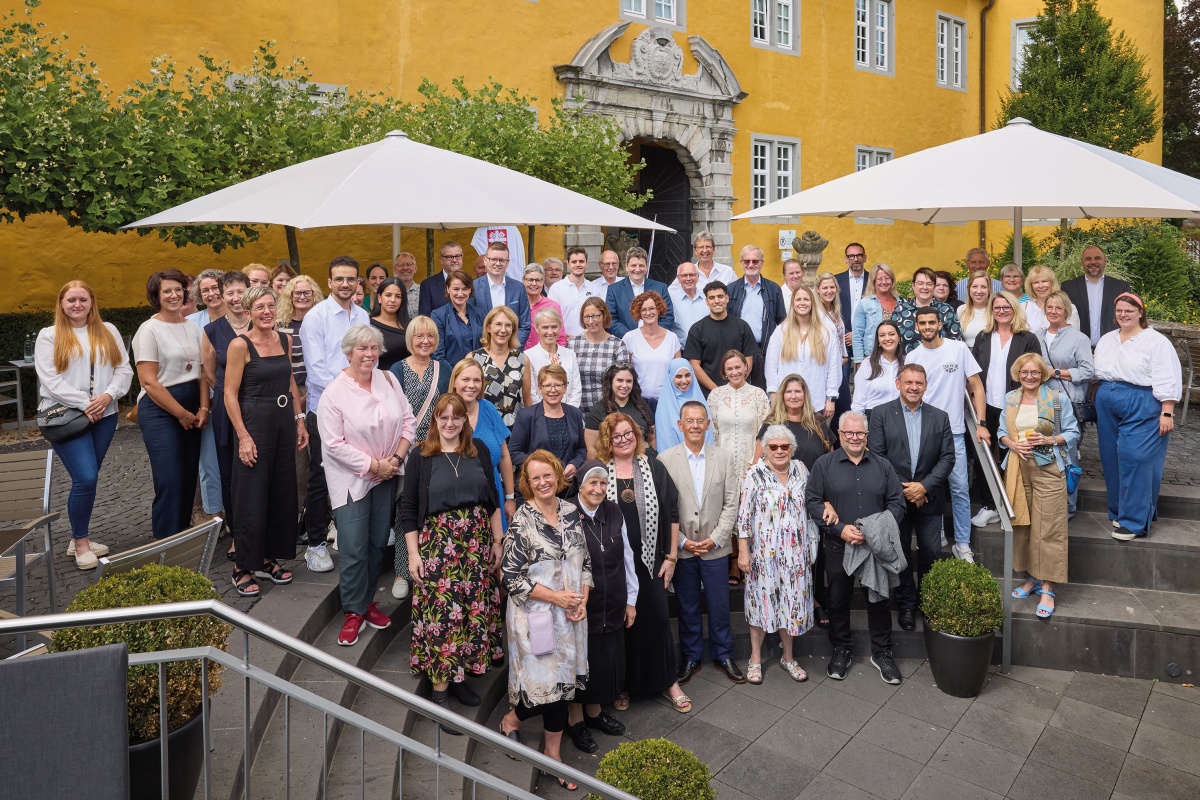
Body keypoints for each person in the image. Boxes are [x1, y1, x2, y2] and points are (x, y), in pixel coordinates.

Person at [400, 394, 503, 722]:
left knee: (470, 614)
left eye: (455, 418)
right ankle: (440, 691)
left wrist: (497, 541)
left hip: (475, 544)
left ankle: (459, 678)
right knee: (443, 617)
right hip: (438, 546)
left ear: (464, 420)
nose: (449, 423)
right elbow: (409, 508)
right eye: (443, 417)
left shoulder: (479, 451)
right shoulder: (421, 456)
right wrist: (413, 555)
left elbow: (491, 501)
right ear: (435, 421)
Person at [498, 452, 590, 785]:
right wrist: (556, 597)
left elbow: (585, 562)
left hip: (570, 616)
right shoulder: (522, 520)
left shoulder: (569, 511)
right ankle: (512, 720)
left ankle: (553, 755)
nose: (543, 482)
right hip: (534, 617)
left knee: (562, 689)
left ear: (557, 475)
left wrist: (582, 600)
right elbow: (510, 578)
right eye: (535, 478)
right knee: (543, 688)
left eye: (547, 475)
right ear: (527, 484)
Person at [594, 413, 690, 712]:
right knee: (623, 625)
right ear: (608, 441)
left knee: (658, 619)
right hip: (613, 567)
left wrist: (672, 556)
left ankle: (668, 681)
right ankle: (624, 684)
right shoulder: (599, 472)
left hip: (651, 562)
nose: (624, 440)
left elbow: (672, 512)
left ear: (636, 435)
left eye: (628, 434)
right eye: (617, 436)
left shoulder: (653, 467)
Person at [35, 280, 133, 569]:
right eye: (71, 300)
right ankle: (80, 544)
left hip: (105, 414)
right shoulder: (49, 335)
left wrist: (107, 396)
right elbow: (50, 380)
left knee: (87, 480)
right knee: (86, 478)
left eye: (83, 300)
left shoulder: (108, 330)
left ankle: (78, 537)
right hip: (67, 416)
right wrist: (86, 403)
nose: (77, 305)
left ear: (92, 302)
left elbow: (123, 368)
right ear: (61, 304)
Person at [806, 411, 906, 684]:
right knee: (838, 601)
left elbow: (898, 504)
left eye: (859, 433)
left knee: (879, 600)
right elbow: (813, 501)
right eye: (848, 433)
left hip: (874, 548)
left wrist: (873, 531)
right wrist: (840, 529)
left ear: (867, 435)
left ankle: (882, 653)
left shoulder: (883, 466)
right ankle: (841, 649)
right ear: (840, 434)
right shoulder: (824, 465)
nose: (854, 437)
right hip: (839, 546)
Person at [224, 287, 308, 597]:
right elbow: (229, 394)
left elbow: (290, 381)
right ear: (248, 313)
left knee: (279, 492)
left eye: (270, 305)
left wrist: (299, 421)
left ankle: (267, 557)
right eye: (259, 307)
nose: (266, 311)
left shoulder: (284, 339)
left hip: (283, 423)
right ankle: (241, 567)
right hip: (254, 423)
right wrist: (244, 436)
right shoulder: (239, 345)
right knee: (251, 494)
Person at [660, 402, 745, 685]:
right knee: (687, 606)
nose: (695, 425)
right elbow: (663, 507)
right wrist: (682, 541)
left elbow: (731, 503)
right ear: (680, 425)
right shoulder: (665, 460)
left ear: (708, 425)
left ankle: (723, 655)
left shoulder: (724, 458)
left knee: (720, 605)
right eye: (690, 421)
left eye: (700, 421)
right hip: (682, 548)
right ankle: (691, 657)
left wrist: (715, 539)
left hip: (716, 547)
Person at [867, 364, 955, 631]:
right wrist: (907, 489)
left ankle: (927, 602)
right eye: (908, 382)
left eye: (919, 382)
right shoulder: (881, 414)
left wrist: (923, 487)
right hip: (896, 499)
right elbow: (878, 455)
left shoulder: (940, 416)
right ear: (898, 383)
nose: (913, 387)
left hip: (930, 497)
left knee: (930, 551)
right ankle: (906, 604)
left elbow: (947, 457)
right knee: (901, 552)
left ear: (926, 385)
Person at [563, 461, 638, 755]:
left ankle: (593, 714)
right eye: (592, 483)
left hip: (613, 602)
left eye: (603, 484)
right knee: (580, 662)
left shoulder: (614, 511)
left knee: (601, 662)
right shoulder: (567, 513)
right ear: (580, 485)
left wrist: (631, 600)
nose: (598, 489)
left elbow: (628, 557)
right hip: (580, 605)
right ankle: (575, 721)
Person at [1094, 292, 1182, 540]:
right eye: (1119, 310)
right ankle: (1119, 510)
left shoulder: (1155, 341)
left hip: (1142, 401)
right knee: (1111, 456)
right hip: (1107, 399)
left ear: (1140, 312)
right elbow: (1100, 373)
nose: (1123, 315)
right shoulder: (1108, 339)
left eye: (1129, 311)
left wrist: (1167, 411)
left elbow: (1167, 376)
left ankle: (1134, 521)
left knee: (1136, 456)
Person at [998, 353, 1080, 619]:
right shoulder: (1011, 398)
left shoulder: (1057, 399)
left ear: (1042, 374)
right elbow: (1001, 431)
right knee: (1025, 526)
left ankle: (1047, 587)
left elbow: (1073, 433)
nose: (1029, 377)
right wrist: (1011, 443)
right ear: (1018, 374)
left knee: (1049, 528)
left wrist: (1049, 441)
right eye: (1024, 373)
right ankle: (1032, 578)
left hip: (1048, 469)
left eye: (1034, 372)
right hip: (1018, 468)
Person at [300, 256, 368, 573]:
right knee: (321, 478)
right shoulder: (316, 318)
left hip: (357, 409)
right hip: (324, 409)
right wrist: (348, 396)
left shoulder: (363, 315)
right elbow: (316, 372)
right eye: (339, 278)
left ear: (358, 282)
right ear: (329, 282)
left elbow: (370, 361)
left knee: (355, 474)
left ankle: (347, 534)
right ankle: (315, 545)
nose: (345, 284)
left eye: (350, 279)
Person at [905, 308, 988, 562]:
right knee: (930, 487)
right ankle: (937, 535)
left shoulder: (958, 349)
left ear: (940, 324)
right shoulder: (913, 355)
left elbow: (976, 386)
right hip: (923, 432)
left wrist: (981, 422)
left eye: (932, 322)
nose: (928, 326)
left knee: (960, 489)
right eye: (923, 323)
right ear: (917, 327)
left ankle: (962, 543)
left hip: (955, 433)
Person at [737, 425, 817, 684]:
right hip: (763, 556)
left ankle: (789, 658)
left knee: (791, 605)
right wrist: (743, 552)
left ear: (791, 449)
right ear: (766, 449)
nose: (780, 451)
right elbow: (743, 518)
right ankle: (755, 659)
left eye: (785, 446)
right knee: (761, 605)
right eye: (773, 446)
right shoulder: (755, 475)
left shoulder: (802, 470)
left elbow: (814, 500)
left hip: (796, 555)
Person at [751, 374, 835, 617]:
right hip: (780, 501)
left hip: (815, 497)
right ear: (782, 396)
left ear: (805, 394)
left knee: (813, 550)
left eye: (798, 391)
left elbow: (830, 462)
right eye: (788, 392)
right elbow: (758, 463)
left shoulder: (818, 424)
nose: (793, 396)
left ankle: (817, 600)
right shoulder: (771, 424)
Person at [132, 269, 207, 539]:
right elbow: (149, 382)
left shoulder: (192, 327)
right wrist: (182, 413)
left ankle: (182, 534)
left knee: (188, 476)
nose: (174, 295)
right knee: (170, 477)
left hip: (192, 404)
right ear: (156, 295)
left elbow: (201, 371)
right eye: (167, 291)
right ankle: (165, 538)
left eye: (178, 290)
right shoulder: (149, 329)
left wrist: (203, 408)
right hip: (160, 409)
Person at [970, 291, 1042, 529]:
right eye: (997, 307)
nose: (1002, 311)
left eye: (1006, 307)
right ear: (992, 310)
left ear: (1014, 309)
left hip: (1016, 406)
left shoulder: (1028, 338)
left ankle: (1014, 506)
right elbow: (974, 373)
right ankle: (990, 505)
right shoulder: (983, 336)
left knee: (1016, 455)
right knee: (986, 457)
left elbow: (1036, 372)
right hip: (987, 406)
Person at [202, 270, 250, 549]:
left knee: (258, 469)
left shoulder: (263, 325)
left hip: (259, 405)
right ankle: (237, 535)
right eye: (229, 292)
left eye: (240, 291)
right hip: (226, 407)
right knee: (230, 470)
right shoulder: (211, 331)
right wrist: (229, 393)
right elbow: (209, 372)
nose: (235, 298)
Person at [1036, 291, 1095, 515]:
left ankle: (1067, 509)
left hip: (1067, 403)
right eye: (1049, 307)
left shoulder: (1079, 338)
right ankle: (1046, 506)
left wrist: (1056, 372)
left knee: (1067, 456)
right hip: (1041, 402)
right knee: (1042, 451)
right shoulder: (1037, 335)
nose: (1053, 311)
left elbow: (1088, 371)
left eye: (1058, 308)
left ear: (1066, 312)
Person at [277, 274, 322, 538]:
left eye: (307, 293)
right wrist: (298, 397)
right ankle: (296, 517)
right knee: (298, 460)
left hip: (317, 391)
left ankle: (315, 516)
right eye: (297, 293)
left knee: (318, 456)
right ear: (289, 296)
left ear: (314, 294)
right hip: (291, 391)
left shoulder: (320, 322)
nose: (302, 297)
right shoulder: (281, 325)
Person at [450, 358, 517, 530]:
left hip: (493, 496)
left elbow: (504, 456)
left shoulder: (488, 408)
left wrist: (510, 498)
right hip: (458, 499)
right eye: (466, 379)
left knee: (496, 549)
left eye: (477, 380)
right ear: (455, 381)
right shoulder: (445, 412)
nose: (471, 385)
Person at [187, 269, 226, 524]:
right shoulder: (192, 323)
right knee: (209, 461)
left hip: (238, 397)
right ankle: (215, 515)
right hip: (207, 400)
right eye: (205, 290)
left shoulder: (239, 317)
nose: (211, 293)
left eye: (215, 287)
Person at [765, 286, 839, 414]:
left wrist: (831, 398)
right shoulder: (781, 331)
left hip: (815, 402)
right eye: (798, 299)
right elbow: (771, 365)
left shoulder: (825, 333)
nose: (802, 303)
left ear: (813, 303)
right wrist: (773, 393)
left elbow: (834, 367)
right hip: (786, 402)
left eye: (806, 299)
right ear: (793, 303)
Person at [510, 364, 587, 484]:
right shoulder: (526, 415)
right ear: (540, 388)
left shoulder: (575, 413)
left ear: (565, 387)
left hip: (568, 487)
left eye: (558, 385)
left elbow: (581, 449)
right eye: (548, 385)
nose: (553, 390)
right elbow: (514, 453)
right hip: (536, 486)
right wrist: (542, 468)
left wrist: (575, 464)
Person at [682, 281, 759, 396]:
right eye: (712, 298)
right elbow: (694, 365)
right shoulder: (697, 329)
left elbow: (748, 360)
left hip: (740, 392)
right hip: (709, 393)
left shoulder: (742, 326)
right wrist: (717, 391)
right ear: (706, 301)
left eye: (720, 296)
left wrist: (736, 385)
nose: (717, 301)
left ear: (727, 298)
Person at [727, 245, 786, 390]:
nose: (751, 265)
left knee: (764, 391)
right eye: (747, 261)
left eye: (755, 261)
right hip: (738, 350)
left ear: (762, 263)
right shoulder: (731, 289)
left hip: (765, 350)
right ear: (741, 263)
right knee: (738, 390)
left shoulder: (774, 289)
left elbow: (782, 321)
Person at [391, 315, 451, 444]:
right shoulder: (398, 369)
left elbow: (449, 407)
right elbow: (392, 411)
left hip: (437, 442)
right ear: (410, 339)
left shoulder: (444, 369)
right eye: (419, 336)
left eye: (430, 336)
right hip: (405, 443)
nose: (425, 341)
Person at [707, 350, 770, 472]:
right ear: (724, 371)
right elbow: (712, 432)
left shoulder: (758, 394)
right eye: (729, 369)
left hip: (752, 464)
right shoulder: (715, 395)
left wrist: (755, 463)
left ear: (746, 367)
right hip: (722, 464)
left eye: (738, 367)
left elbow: (765, 432)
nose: (734, 372)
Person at [1062, 245, 1133, 348]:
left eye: (1097, 258)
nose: (1093, 262)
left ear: (1105, 261)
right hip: (1077, 348)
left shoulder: (1121, 287)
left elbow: (1129, 317)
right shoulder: (1068, 287)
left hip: (1112, 347)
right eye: (1088, 259)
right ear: (1082, 262)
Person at [567, 297, 630, 411]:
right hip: (577, 410)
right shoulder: (573, 344)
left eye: (595, 316)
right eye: (587, 317)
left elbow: (623, 382)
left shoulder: (617, 345)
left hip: (608, 411)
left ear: (604, 315)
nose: (591, 321)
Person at [470, 306, 527, 428]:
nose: (503, 330)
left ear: (513, 329)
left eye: (508, 325)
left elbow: (527, 402)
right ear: (489, 327)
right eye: (498, 324)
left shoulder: (522, 359)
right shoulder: (474, 358)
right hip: (482, 428)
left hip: (515, 429)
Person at [584, 363, 655, 457]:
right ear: (611, 381)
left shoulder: (642, 405)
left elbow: (652, 439)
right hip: (611, 463)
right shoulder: (597, 410)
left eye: (629, 381)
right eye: (620, 380)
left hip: (644, 460)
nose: (624, 385)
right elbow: (591, 449)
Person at [622, 291, 681, 404]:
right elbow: (623, 372)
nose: (648, 313)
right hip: (637, 401)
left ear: (658, 309)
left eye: (652, 308)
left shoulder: (672, 338)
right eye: (643, 310)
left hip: (667, 400)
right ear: (638, 313)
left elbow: (677, 372)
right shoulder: (630, 338)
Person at [471, 241, 531, 347]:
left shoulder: (518, 288)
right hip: (483, 351)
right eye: (493, 259)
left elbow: (525, 325)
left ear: (507, 262)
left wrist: (512, 348)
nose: (497, 263)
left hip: (512, 353)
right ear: (485, 260)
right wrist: (487, 348)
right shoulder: (473, 288)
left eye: (502, 260)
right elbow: (472, 324)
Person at [606, 247, 675, 337]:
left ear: (646, 267)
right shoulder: (614, 290)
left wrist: (652, 334)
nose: (637, 269)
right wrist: (631, 336)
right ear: (627, 266)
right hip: (626, 343)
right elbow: (610, 319)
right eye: (633, 265)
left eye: (641, 265)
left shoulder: (661, 288)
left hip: (655, 341)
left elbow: (668, 317)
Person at [524, 307, 583, 408]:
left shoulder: (570, 354)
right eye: (545, 327)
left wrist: (567, 413)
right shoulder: (528, 356)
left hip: (569, 416)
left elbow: (576, 389)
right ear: (537, 328)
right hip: (540, 417)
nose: (550, 332)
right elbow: (532, 393)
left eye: (554, 327)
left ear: (560, 328)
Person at [893, 267, 962, 353]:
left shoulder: (946, 310)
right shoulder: (900, 310)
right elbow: (892, 340)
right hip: (908, 364)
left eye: (929, 284)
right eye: (920, 283)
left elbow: (955, 342)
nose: (924, 287)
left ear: (934, 286)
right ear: (913, 285)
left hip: (939, 363)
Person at [654, 359, 712, 453]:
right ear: (670, 377)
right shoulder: (664, 406)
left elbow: (708, 433)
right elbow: (665, 438)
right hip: (674, 460)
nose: (684, 381)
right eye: (678, 376)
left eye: (687, 375)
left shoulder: (700, 399)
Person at [816, 271, 852, 425]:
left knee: (843, 409)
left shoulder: (835, 311)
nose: (829, 291)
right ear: (817, 289)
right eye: (825, 288)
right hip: (823, 369)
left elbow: (839, 337)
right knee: (825, 411)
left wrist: (844, 355)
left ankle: (836, 445)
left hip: (838, 367)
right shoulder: (815, 314)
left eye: (832, 287)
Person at [431, 270, 484, 366]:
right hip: (450, 375)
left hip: (478, 374)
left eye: (465, 289)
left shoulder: (480, 313)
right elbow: (438, 355)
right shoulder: (438, 315)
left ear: (470, 290)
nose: (460, 293)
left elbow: (486, 347)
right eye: (456, 289)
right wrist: (456, 375)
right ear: (448, 289)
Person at [851, 320, 902, 416]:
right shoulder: (868, 364)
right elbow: (858, 401)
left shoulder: (906, 362)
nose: (887, 338)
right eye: (882, 335)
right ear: (878, 340)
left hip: (900, 417)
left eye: (891, 334)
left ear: (898, 337)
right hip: (874, 417)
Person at [852, 262, 900, 363]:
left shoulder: (900, 302)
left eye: (887, 278)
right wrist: (860, 362)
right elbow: (857, 336)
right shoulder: (864, 303)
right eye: (879, 279)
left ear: (892, 280)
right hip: (873, 357)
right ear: (873, 281)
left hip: (897, 357)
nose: (884, 282)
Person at [549, 246, 601, 339]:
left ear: (586, 264)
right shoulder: (556, 288)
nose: (578, 264)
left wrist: (587, 333)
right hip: (563, 341)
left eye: (581, 261)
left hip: (589, 340)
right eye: (574, 262)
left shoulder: (594, 288)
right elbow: (551, 317)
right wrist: (562, 335)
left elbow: (600, 316)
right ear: (568, 265)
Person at [1023, 265, 1080, 335]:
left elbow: (1074, 336)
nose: (1040, 286)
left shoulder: (1069, 307)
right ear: (1031, 286)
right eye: (1036, 282)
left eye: (1044, 281)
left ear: (1052, 283)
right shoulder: (1022, 308)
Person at [521, 263, 567, 351]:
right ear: (523, 280)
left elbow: (560, 337)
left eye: (538, 280)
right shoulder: (516, 304)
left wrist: (556, 358)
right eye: (530, 280)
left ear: (543, 281)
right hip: (519, 357)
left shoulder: (552, 306)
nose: (534, 284)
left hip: (546, 357)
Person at [370, 277, 411, 371]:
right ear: (379, 297)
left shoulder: (411, 326)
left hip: (406, 382)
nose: (393, 300)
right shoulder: (368, 324)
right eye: (388, 295)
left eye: (398, 296)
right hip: (378, 381)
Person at [418, 240, 465, 317]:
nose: (454, 260)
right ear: (441, 260)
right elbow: (424, 318)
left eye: (457, 256)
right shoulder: (428, 285)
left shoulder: (472, 283)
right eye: (449, 257)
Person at [836, 243, 869, 344]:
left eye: (859, 255)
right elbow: (831, 310)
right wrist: (845, 333)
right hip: (842, 340)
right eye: (851, 256)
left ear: (865, 258)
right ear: (846, 259)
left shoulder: (873, 280)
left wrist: (858, 334)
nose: (855, 259)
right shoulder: (836, 281)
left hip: (867, 340)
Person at [666, 261, 708, 341]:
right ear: (678, 279)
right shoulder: (670, 300)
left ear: (698, 277)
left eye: (692, 275)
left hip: (707, 350)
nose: (688, 279)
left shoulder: (707, 297)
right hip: (681, 351)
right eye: (684, 275)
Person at [957, 270, 994, 348]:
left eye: (983, 287)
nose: (979, 291)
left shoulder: (995, 310)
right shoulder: (961, 310)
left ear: (989, 289)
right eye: (974, 286)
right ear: (969, 289)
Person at [392, 251, 421, 319]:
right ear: (395, 269)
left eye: (409, 264)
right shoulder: (389, 291)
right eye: (401, 265)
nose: (405, 268)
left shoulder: (423, 291)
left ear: (415, 269)